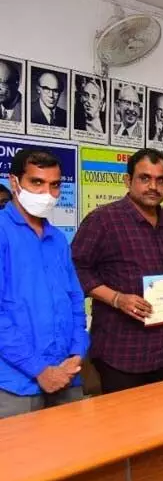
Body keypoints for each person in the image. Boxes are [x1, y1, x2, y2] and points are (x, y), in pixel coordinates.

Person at [72, 149, 163, 394]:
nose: (153, 186)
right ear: (128, 180)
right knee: (125, 429)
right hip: (122, 355)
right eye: (145, 178)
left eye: (160, 180)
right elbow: (75, 270)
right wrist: (117, 299)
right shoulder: (103, 220)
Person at [0, 149, 88, 418]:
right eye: (36, 183)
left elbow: (75, 300)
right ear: (15, 183)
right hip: (18, 383)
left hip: (67, 375)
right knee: (23, 459)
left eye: (54, 185)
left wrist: (78, 351)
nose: (46, 193)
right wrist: (39, 369)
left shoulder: (58, 239)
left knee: (77, 456)